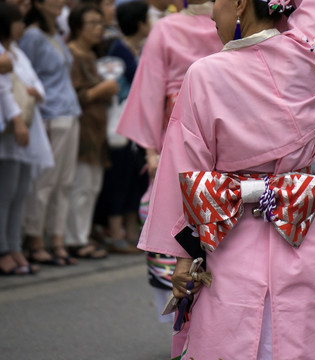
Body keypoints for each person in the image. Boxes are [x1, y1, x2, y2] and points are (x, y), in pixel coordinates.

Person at [138, 0, 315, 358]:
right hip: (296, 225)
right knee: (301, 332)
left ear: (241, 3)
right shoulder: (310, 59)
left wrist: (182, 253)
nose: (212, 12)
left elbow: (186, 169)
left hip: (228, 231)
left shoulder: (206, 73)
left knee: (232, 333)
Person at [115, 0, 222, 323]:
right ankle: (199, 312)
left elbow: (151, 89)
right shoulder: (235, 18)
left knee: (177, 209)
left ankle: (188, 311)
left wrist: (151, 147)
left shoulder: (165, 28)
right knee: (213, 209)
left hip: (184, 122)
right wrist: (151, 148)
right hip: (214, 123)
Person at [20, 0, 82, 266]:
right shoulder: (32, 35)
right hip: (50, 114)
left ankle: (56, 238)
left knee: (65, 181)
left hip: (69, 110)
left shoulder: (54, 33)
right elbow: (24, 74)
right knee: (45, 180)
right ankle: (35, 239)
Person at [0, 1, 53, 275]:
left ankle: (13, 246)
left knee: (20, 192)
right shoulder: (3, 53)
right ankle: (4, 249)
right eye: (16, 20)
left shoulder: (17, 52)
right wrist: (18, 120)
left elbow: (36, 84)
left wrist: (35, 93)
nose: (21, 24)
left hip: (26, 126)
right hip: (11, 129)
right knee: (5, 193)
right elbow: (4, 90)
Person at [94, 0, 150, 253]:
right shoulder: (118, 50)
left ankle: (130, 230)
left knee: (132, 178)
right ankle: (116, 231)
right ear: (139, 23)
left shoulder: (136, 48)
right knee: (118, 178)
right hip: (120, 123)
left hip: (135, 123)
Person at [64, 3, 118, 259]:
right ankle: (74, 239)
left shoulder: (92, 56)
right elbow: (73, 95)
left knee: (91, 185)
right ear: (76, 27)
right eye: (92, 24)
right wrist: (102, 90)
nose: (98, 29)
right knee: (80, 185)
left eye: (100, 23)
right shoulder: (72, 54)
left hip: (96, 129)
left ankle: (81, 235)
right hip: (82, 128)